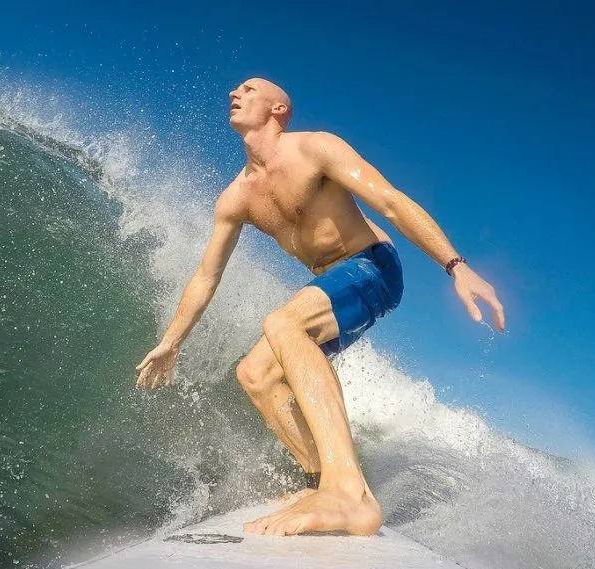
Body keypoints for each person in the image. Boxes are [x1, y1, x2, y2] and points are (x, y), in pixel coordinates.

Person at [136, 77, 505, 537]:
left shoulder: (314, 149)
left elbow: (389, 201)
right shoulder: (237, 197)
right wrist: (171, 342)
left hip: (374, 266)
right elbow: (207, 275)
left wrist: (455, 265)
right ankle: (320, 482)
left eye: (250, 89)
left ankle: (349, 494)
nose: (236, 92)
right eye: (236, 88)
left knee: (283, 324)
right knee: (256, 373)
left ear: (278, 108)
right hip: (335, 282)